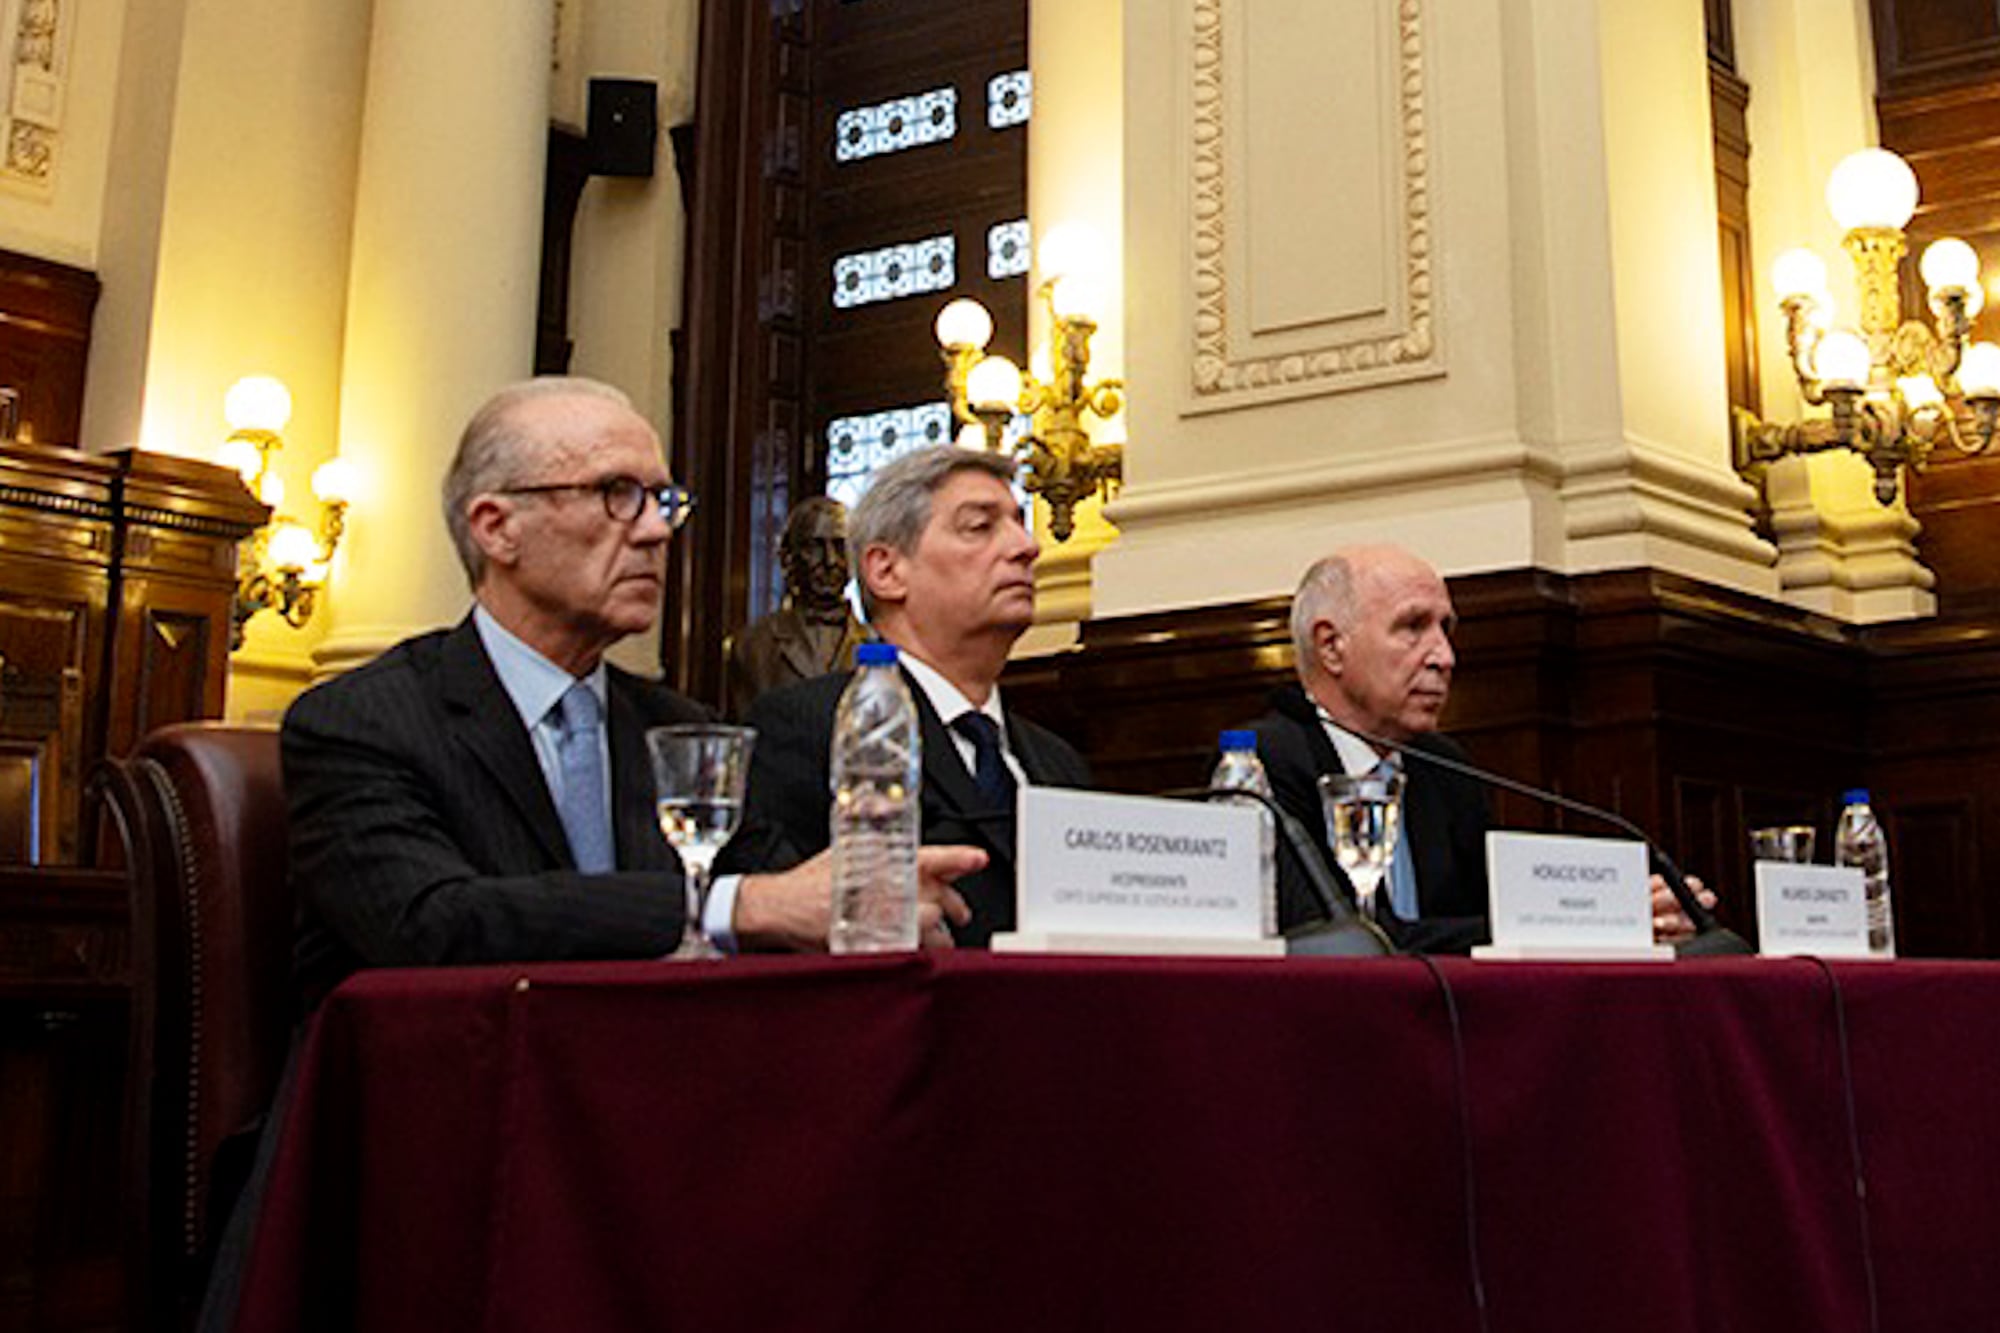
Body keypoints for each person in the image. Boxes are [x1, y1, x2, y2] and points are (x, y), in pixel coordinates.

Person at [285, 377, 979, 1005]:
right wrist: (739, 906)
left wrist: (877, 899)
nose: (655, 531)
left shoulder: (678, 727)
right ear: (496, 527)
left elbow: (799, 893)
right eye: (616, 494)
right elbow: (432, 924)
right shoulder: (359, 722)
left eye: (663, 501)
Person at [1243, 544, 1709, 953]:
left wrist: (1621, 914)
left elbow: (1496, 911)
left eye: (1445, 629)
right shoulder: (1265, 763)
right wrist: (1573, 930)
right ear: (1331, 647)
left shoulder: (1444, 766)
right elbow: (1344, 936)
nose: (1444, 657)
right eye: (1412, 627)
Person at [718, 446, 1090, 946]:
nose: (1027, 547)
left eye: (1021, 524)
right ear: (886, 571)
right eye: (980, 527)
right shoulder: (808, 727)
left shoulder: (1057, 762)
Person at [724, 495, 866, 716]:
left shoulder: (877, 641)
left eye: (840, 547)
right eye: (815, 547)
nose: (830, 561)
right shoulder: (752, 645)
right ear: (787, 558)